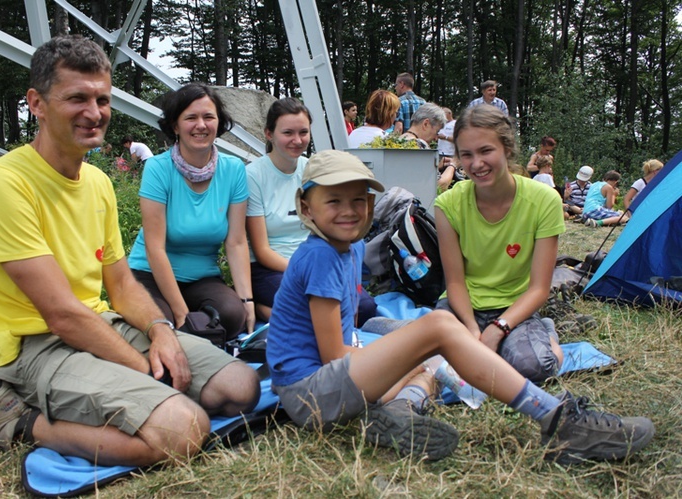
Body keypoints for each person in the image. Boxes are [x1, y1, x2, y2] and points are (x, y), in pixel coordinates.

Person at [0, 35, 259, 467]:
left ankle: (135, 385)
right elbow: (60, 313)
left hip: (98, 322)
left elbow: (119, 281)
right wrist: (144, 368)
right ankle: (14, 418)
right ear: (36, 103)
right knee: (185, 430)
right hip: (29, 347)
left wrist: (160, 330)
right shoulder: (3, 183)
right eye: (77, 98)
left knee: (241, 387)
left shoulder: (97, 183)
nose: (94, 113)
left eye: (102, 99)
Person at [267, 148, 653, 464]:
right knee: (436, 329)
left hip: (330, 384)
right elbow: (334, 353)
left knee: (430, 351)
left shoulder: (347, 247)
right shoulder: (319, 256)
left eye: (358, 200)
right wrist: (401, 352)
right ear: (306, 207)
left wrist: (404, 355)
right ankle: (557, 418)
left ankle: (398, 412)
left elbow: (349, 337)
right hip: (311, 396)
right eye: (333, 200)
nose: (349, 211)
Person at [434, 105, 564, 383]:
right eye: (466, 155)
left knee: (535, 367)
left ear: (506, 148)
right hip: (462, 308)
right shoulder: (448, 204)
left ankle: (545, 332)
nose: (476, 164)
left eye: (485, 151)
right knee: (433, 362)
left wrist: (498, 328)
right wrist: (472, 330)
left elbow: (540, 288)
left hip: (514, 310)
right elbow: (455, 282)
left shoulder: (544, 200)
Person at [128, 83, 256, 339]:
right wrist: (180, 312)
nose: (201, 125)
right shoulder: (157, 169)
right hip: (150, 273)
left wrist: (247, 300)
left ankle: (197, 333)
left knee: (233, 315)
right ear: (175, 126)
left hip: (202, 277)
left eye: (209, 117)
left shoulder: (233, 170)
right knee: (161, 325)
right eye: (191, 118)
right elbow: (155, 248)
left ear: (219, 123)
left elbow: (237, 241)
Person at [246, 98, 377, 324]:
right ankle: (263, 310)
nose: (297, 140)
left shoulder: (313, 170)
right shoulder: (253, 176)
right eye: (288, 133)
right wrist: (304, 270)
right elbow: (261, 250)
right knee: (313, 311)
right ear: (269, 134)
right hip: (270, 268)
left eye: (303, 132)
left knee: (363, 307)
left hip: (316, 260)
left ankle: (278, 315)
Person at [399, 103, 457, 190]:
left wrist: (436, 166)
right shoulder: (420, 146)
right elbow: (439, 185)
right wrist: (454, 164)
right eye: (437, 132)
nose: (435, 138)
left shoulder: (398, 140)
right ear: (426, 124)